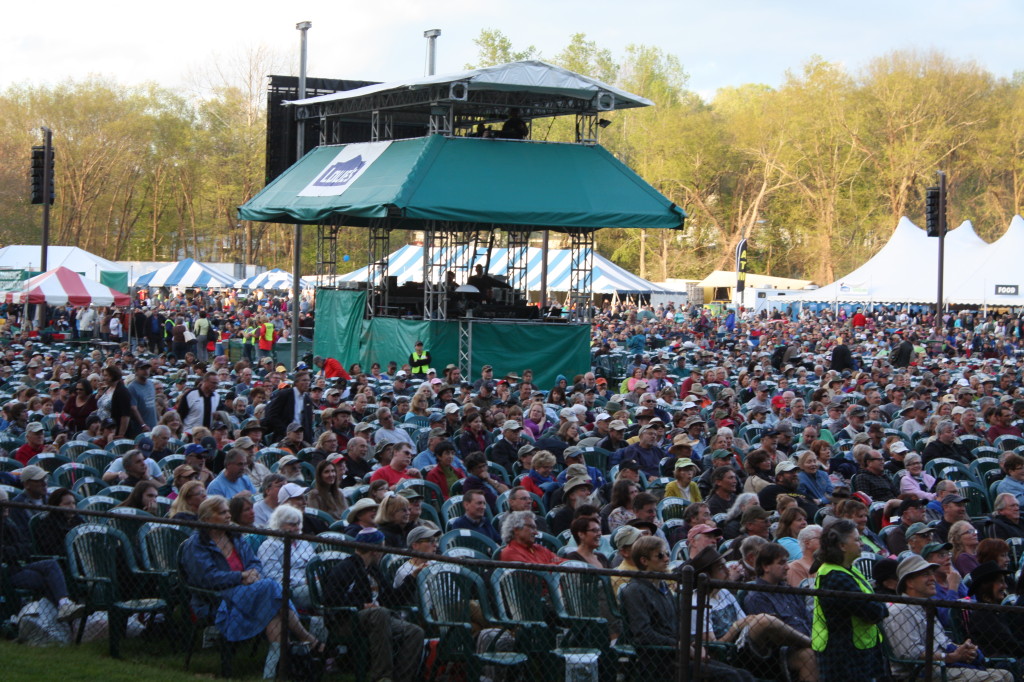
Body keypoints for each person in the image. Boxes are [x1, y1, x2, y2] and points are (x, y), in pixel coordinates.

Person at [179, 496, 321, 679]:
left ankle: (271, 674)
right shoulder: (196, 544)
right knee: (272, 588)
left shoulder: (235, 537)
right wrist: (240, 577)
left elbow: (255, 562)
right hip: (219, 599)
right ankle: (308, 640)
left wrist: (253, 574)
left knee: (274, 612)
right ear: (206, 518)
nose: (228, 516)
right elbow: (206, 578)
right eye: (222, 512)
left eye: (228, 511)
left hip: (248, 592)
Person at [619, 537, 755, 682]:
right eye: (660, 555)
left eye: (666, 554)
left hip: (679, 654)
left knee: (744, 675)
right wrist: (679, 645)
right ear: (644, 561)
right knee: (731, 677)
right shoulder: (635, 591)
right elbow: (643, 634)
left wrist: (693, 645)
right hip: (659, 660)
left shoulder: (663, 587)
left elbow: (678, 624)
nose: (666, 559)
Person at [884, 555, 1011, 682]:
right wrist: (951, 657)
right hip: (921, 672)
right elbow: (910, 655)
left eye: (932, 574)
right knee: (995, 679)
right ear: (910, 582)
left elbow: (943, 642)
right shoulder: (900, 610)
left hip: (944, 665)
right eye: (925, 574)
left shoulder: (926, 607)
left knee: (1006, 675)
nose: (932, 578)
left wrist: (963, 649)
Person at [323, 527, 424, 682]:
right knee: (380, 613)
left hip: (377, 618)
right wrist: (361, 606)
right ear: (374, 550)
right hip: (347, 620)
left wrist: (412, 577)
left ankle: (402, 678)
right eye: (381, 548)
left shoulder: (374, 570)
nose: (383, 552)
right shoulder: (345, 568)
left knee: (414, 632)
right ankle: (382, 677)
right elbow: (332, 599)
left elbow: (392, 598)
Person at [811, 518, 888, 681]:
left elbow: (873, 605)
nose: (861, 543)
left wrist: (878, 606)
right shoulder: (835, 577)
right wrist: (880, 607)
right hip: (843, 655)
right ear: (842, 546)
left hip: (860, 651)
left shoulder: (849, 569)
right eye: (856, 539)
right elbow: (873, 612)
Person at [0, 489, 86, 623]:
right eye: (2, 504)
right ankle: (62, 619)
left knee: (51, 565)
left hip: (19, 566)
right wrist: (15, 550)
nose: (6, 507)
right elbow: (8, 552)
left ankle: (64, 606)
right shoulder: (46, 522)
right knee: (50, 580)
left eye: (6, 503)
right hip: (7, 572)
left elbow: (26, 547)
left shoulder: (9, 523)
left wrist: (14, 550)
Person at [743, 542, 819, 681]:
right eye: (781, 563)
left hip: (808, 640)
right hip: (780, 654)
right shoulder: (757, 597)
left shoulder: (789, 590)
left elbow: (807, 618)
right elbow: (774, 637)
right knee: (809, 655)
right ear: (766, 566)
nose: (787, 567)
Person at [257, 505, 316, 609]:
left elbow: (315, 566)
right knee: (331, 588)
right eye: (292, 525)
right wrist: (304, 581)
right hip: (291, 591)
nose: (297, 528)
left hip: (313, 583)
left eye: (298, 524)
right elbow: (273, 577)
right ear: (279, 525)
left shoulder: (303, 542)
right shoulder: (270, 546)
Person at [261, 371, 313, 443]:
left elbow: (308, 423)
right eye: (304, 380)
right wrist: (286, 432)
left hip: (301, 439)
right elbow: (272, 415)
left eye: (308, 380)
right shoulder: (285, 394)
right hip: (284, 437)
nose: (307, 383)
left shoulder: (307, 399)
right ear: (296, 382)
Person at [32, 487, 85, 557]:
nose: (72, 507)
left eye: (73, 503)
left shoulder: (78, 520)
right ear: (56, 505)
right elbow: (50, 550)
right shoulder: (46, 524)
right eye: (67, 504)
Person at [497, 510, 562, 564]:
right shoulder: (510, 553)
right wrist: (553, 564)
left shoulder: (539, 548)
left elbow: (563, 562)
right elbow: (535, 574)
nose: (536, 533)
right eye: (531, 527)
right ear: (516, 529)